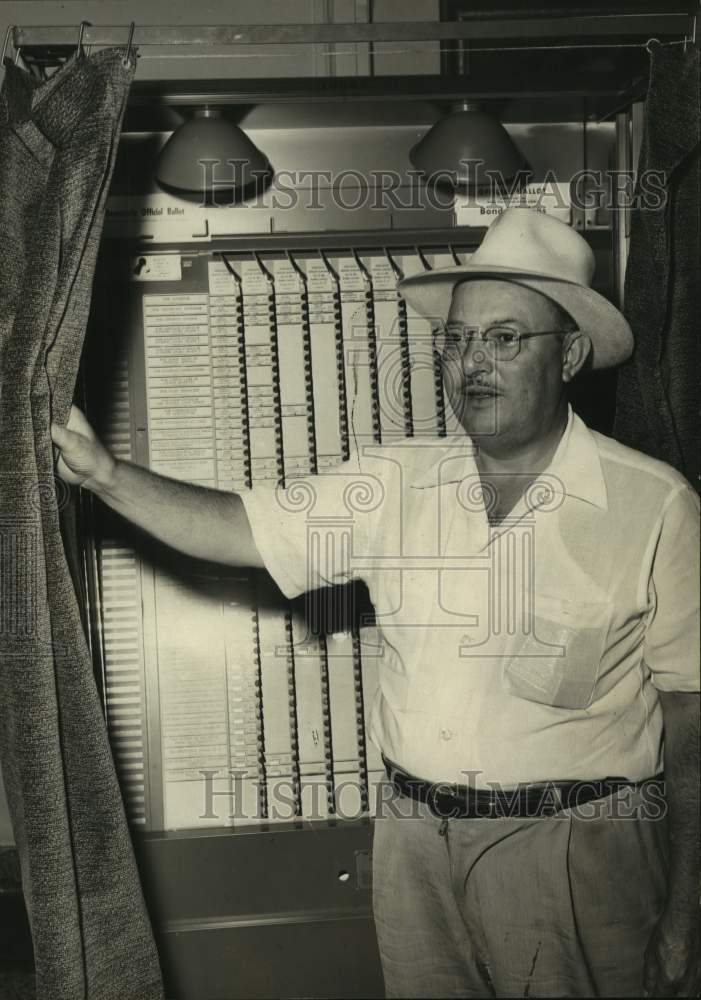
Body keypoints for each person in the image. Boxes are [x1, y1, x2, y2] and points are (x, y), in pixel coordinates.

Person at [51, 208, 699, 998]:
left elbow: (690, 719)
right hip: (414, 850)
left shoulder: (652, 504)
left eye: (504, 338)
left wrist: (687, 911)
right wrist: (104, 474)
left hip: (575, 851)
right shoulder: (393, 483)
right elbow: (238, 530)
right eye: (456, 339)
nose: (472, 363)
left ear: (566, 356)